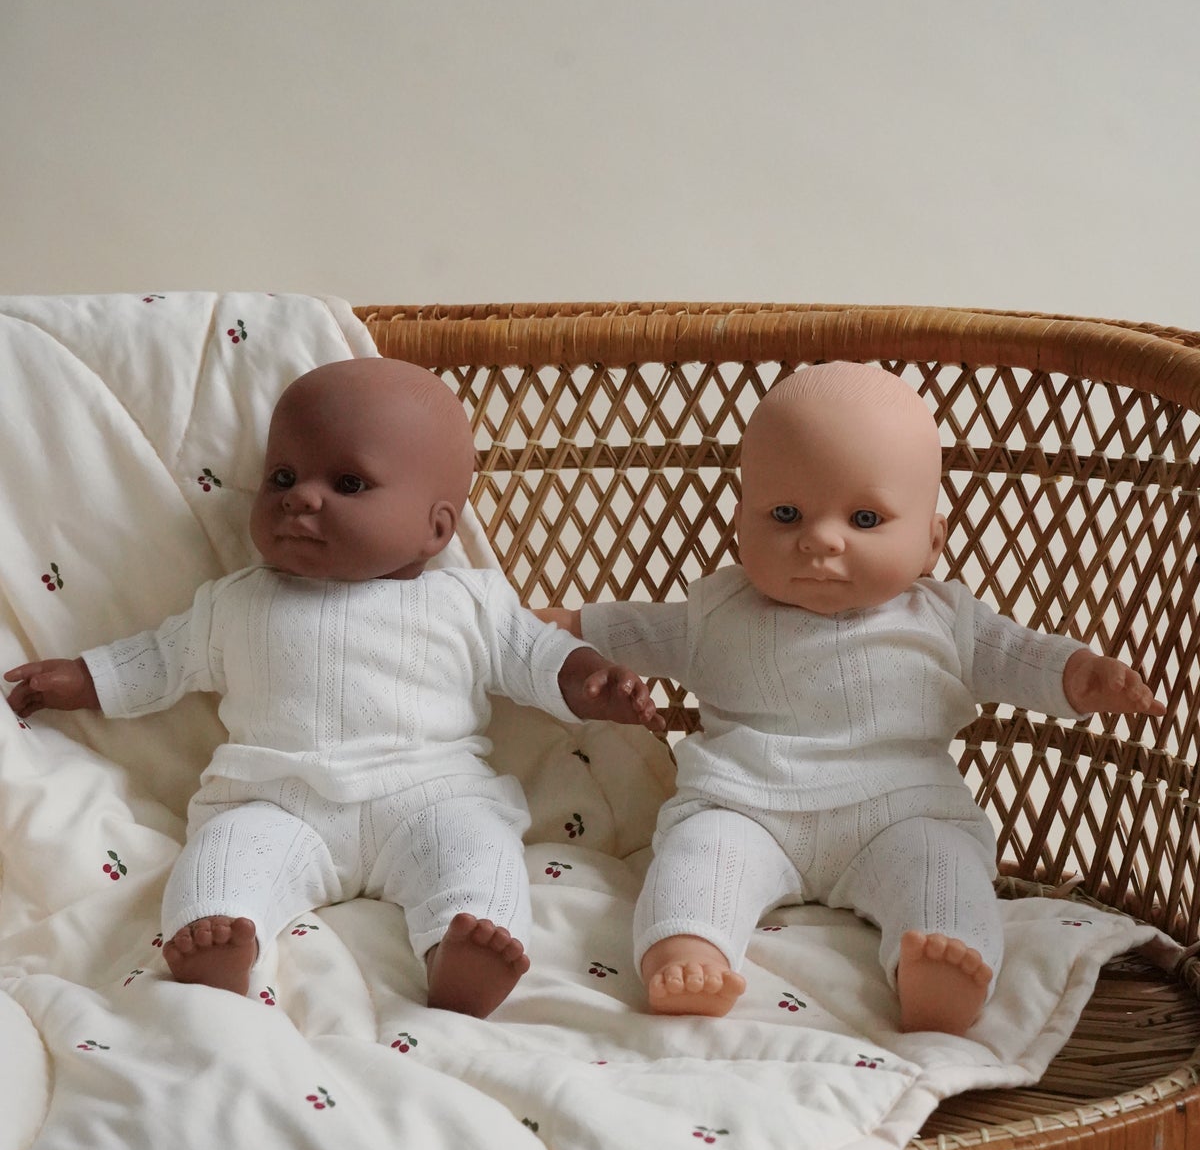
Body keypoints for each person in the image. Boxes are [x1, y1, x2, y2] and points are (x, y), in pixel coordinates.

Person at [5, 357, 663, 1019]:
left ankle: (459, 950)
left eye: (348, 483)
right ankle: (220, 937)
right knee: (223, 857)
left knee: (479, 853)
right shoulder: (236, 601)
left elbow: (539, 654)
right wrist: (82, 678)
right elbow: (159, 658)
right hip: (277, 801)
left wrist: (591, 679)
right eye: (283, 477)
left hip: (432, 798)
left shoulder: (468, 602)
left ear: (436, 528)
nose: (300, 498)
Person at [544, 362, 1164, 1034]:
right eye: (785, 514)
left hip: (900, 813)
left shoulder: (946, 620)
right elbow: (615, 629)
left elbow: (1023, 656)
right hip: (746, 806)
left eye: (865, 518)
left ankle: (941, 967)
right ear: (740, 521)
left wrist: (1084, 674)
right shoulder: (715, 612)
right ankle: (687, 951)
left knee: (944, 870)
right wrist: (535, 624)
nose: (819, 539)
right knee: (698, 856)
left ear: (931, 541)